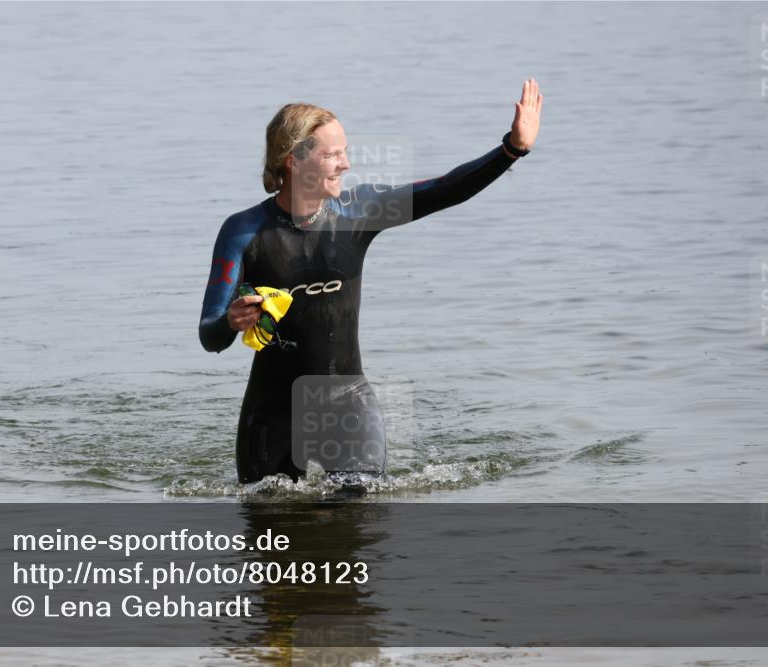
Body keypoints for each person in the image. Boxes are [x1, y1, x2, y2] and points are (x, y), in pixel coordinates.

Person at [199, 79, 544, 484]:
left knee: (359, 506)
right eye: (333, 155)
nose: (345, 164)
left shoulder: (357, 213)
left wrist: (512, 149)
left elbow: (445, 189)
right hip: (272, 412)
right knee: (270, 528)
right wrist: (232, 321)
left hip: (348, 403)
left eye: (345, 152)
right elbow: (211, 336)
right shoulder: (243, 232)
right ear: (293, 160)